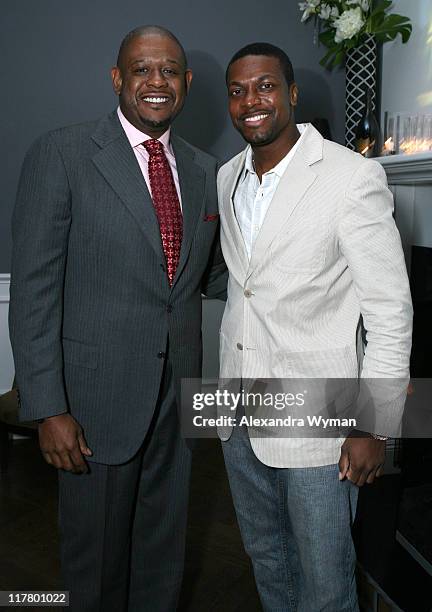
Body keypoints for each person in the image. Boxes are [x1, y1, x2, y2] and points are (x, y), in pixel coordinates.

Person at [9, 25, 226, 612]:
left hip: (177, 399)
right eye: (142, 69)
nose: (157, 82)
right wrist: (48, 407)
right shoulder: (62, 153)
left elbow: (211, 277)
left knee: (163, 554)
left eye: (170, 71)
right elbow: (34, 290)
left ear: (186, 82)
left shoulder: (205, 169)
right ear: (118, 79)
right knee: (94, 565)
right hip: (92, 403)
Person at [217, 42, 412, 611]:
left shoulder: (352, 177)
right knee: (268, 564)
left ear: (293, 93)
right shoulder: (228, 177)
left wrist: (375, 427)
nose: (251, 101)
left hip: (320, 424)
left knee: (326, 586)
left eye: (265, 86)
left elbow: (389, 312)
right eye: (237, 90)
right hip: (238, 414)